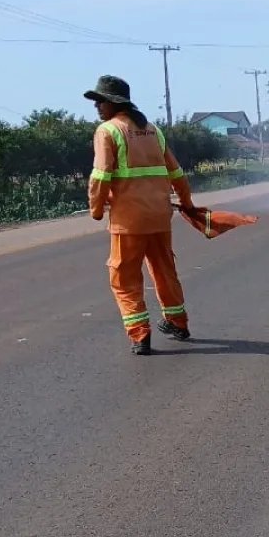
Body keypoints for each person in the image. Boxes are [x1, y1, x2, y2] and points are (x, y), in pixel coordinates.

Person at [86, 75, 195, 355]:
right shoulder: (153, 131)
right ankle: (178, 323)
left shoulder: (108, 131)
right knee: (164, 271)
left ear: (113, 103)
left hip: (128, 221)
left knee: (124, 279)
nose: (97, 106)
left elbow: (100, 176)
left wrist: (96, 209)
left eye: (101, 101)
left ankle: (140, 334)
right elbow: (176, 172)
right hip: (159, 217)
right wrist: (185, 201)